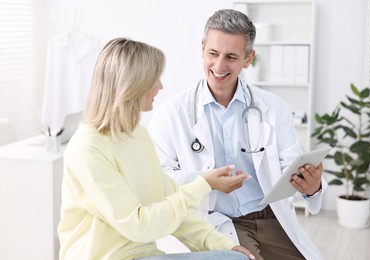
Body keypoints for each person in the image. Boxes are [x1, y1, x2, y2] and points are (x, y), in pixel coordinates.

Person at [148, 9, 327, 260]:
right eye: (213, 53)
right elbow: (161, 181)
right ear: (202, 48)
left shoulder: (272, 107)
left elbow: (291, 167)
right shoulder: (171, 113)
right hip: (217, 221)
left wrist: (312, 187)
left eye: (231, 57)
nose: (219, 66)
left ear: (248, 58)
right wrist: (206, 181)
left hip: (270, 216)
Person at [57, 38, 255, 260]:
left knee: (236, 258)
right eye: (154, 80)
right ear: (133, 86)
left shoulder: (136, 135)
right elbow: (139, 225)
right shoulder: (87, 148)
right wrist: (203, 185)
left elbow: (174, 209)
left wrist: (222, 244)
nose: (160, 87)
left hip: (143, 255)